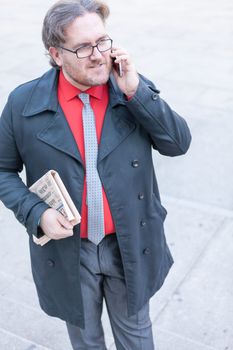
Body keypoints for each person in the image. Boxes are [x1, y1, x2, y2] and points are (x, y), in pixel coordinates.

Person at [0, 0, 191, 349]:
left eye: (103, 41)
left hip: (129, 242)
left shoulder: (129, 88)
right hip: (71, 250)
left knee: (136, 337)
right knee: (86, 341)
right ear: (56, 54)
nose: (98, 55)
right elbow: (2, 170)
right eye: (83, 47)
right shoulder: (23, 103)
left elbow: (178, 144)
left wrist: (137, 92)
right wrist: (36, 212)